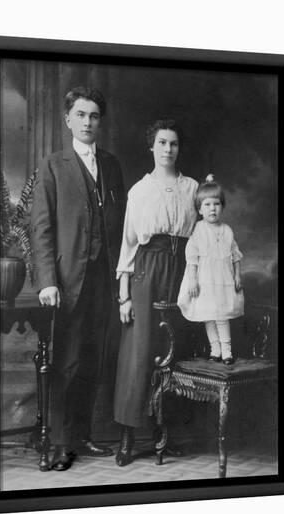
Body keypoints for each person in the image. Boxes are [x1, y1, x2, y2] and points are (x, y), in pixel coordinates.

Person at [31, 86, 125, 471]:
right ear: (68, 119)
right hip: (68, 282)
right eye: (81, 115)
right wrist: (47, 280)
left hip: (104, 279)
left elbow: (121, 226)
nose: (88, 122)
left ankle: (82, 435)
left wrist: (123, 279)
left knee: (93, 361)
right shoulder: (53, 165)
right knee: (66, 363)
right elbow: (41, 228)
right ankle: (59, 444)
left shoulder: (113, 165)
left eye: (94, 116)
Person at [114, 119, 199, 466]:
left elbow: (203, 234)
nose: (168, 149)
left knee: (176, 352)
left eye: (174, 143)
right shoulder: (139, 190)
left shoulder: (193, 188)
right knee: (139, 352)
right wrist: (125, 294)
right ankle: (128, 437)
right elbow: (129, 243)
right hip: (148, 271)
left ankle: (167, 433)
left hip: (182, 271)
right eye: (162, 143)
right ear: (151, 147)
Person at [177, 175, 244, 365]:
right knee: (208, 317)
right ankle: (215, 348)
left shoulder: (227, 230)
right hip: (205, 280)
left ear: (222, 206)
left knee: (221, 316)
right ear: (199, 209)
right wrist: (192, 281)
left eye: (216, 204)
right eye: (207, 205)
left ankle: (227, 351)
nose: (212, 209)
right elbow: (192, 258)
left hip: (223, 281)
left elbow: (236, 255)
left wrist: (238, 276)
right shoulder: (197, 230)